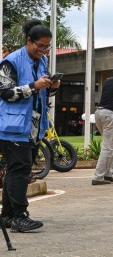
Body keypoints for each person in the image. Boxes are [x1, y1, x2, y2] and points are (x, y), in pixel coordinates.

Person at [0, 20, 60, 232]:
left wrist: (51, 87)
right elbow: (5, 93)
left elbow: (43, 92)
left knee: (18, 170)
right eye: (40, 46)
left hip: (33, 127)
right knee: (20, 170)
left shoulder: (42, 62)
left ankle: (7, 216)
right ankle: (19, 216)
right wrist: (34, 86)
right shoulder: (11, 61)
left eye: (47, 47)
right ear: (29, 41)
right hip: (12, 126)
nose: (43, 51)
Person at [91, 62, 113, 186]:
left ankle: (108, 174)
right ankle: (98, 177)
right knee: (108, 146)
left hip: (99, 113)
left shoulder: (108, 80)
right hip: (110, 114)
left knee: (112, 144)